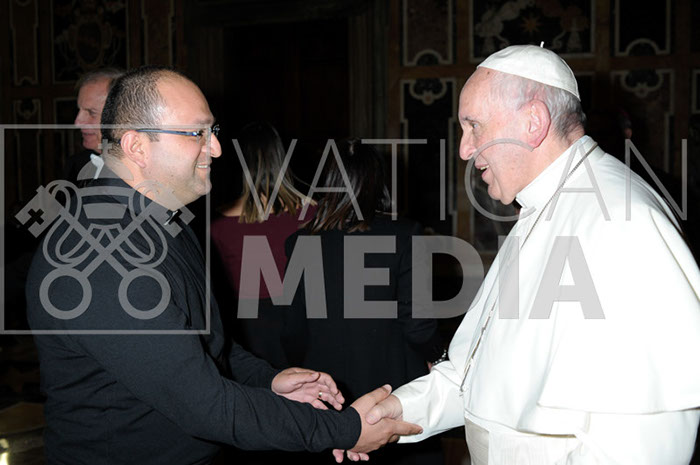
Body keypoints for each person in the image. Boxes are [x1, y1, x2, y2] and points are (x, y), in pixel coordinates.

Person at [25, 65, 420, 464]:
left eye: (212, 131)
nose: (215, 148)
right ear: (137, 146)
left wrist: (269, 380)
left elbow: (207, 348)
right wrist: (345, 429)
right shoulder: (100, 254)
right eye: (196, 133)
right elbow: (205, 405)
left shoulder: (167, 221)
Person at [342, 45, 700, 464]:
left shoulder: (622, 221)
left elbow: (643, 445)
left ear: (533, 122)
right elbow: (479, 371)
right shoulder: (541, 207)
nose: (464, 150)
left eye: (474, 126)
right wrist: (397, 411)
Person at [284, 139, 445, 464]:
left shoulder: (299, 242)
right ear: (378, 183)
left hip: (327, 396)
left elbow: (294, 331)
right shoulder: (406, 235)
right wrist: (439, 358)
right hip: (394, 391)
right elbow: (418, 325)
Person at [211, 121, 315, 369]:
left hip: (250, 337)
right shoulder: (314, 213)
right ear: (281, 158)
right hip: (307, 327)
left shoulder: (218, 225)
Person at [65, 68, 124, 183]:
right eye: (79, 110)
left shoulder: (147, 173)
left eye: (91, 112)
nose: (77, 123)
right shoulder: (74, 166)